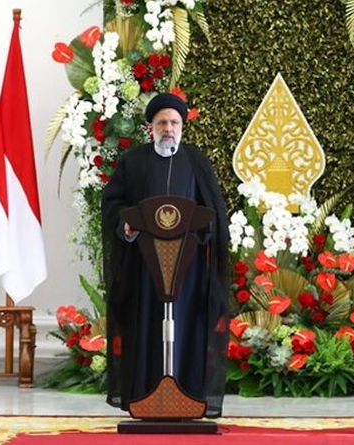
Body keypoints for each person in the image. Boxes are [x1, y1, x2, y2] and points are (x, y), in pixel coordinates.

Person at [101, 92, 229, 417]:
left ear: (182, 127)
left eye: (174, 122)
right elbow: (113, 205)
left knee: (185, 330)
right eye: (162, 123)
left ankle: (184, 396)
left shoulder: (196, 161)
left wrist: (204, 229)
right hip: (145, 272)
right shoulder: (133, 162)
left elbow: (212, 210)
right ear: (150, 128)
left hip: (187, 272)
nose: (168, 128)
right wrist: (127, 226)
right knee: (146, 330)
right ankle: (145, 395)